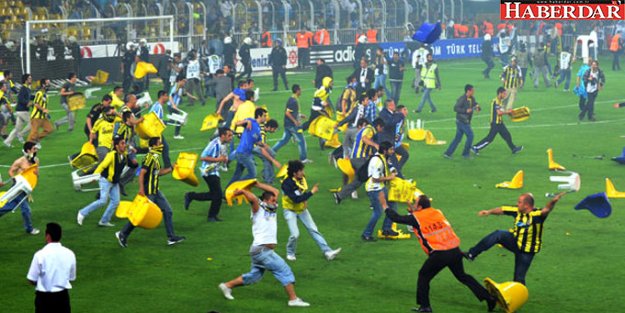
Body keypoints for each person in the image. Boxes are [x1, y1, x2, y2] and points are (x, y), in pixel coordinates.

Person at [384, 194, 496, 313]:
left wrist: (384, 205)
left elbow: (396, 218)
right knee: (462, 276)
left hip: (440, 253)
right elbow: (424, 220)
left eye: (415, 202)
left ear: (420, 207)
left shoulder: (416, 217)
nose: (413, 203)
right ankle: (489, 297)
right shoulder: (437, 212)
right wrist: (414, 212)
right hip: (455, 250)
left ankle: (425, 307)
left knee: (424, 276)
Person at [218, 181, 310, 307]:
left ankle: (227, 286)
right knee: (284, 270)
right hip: (262, 251)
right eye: (273, 200)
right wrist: (244, 191)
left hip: (259, 250)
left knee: (254, 276)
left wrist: (257, 184)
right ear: (265, 201)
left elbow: (276, 192)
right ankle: (293, 299)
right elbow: (253, 199)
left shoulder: (272, 207)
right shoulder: (258, 209)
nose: (275, 202)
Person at [464, 192, 566, 285]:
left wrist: (553, 201)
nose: (517, 204)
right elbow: (502, 210)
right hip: (515, 242)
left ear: (526, 205)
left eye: (519, 202)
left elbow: (547, 209)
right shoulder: (517, 211)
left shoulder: (537, 215)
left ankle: (515, 298)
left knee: (519, 279)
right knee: (498, 234)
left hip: (527, 251)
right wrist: (489, 212)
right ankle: (472, 253)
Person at [115, 137, 185, 247]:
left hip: (156, 191)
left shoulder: (155, 157)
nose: (161, 145)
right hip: (148, 192)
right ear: (154, 146)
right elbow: (142, 173)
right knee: (139, 216)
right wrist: (141, 189)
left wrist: (171, 168)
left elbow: (158, 173)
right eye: (159, 143)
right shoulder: (150, 157)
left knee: (168, 211)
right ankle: (123, 233)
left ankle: (171, 237)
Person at [281, 160, 342, 261]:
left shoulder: (301, 179)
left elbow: (301, 192)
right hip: (290, 210)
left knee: (314, 230)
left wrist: (305, 201)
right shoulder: (286, 184)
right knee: (295, 234)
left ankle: (327, 252)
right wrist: (311, 193)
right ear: (294, 172)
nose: (303, 172)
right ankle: (290, 252)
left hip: (301, 209)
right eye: (300, 170)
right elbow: (295, 199)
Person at [77, 136, 129, 227]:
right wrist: (94, 176)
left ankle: (104, 221)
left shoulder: (124, 154)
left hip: (114, 182)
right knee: (102, 201)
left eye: (125, 143)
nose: (125, 145)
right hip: (105, 180)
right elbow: (102, 166)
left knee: (115, 201)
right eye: (122, 143)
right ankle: (82, 213)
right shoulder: (111, 155)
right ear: (116, 146)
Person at [185, 127, 233, 222]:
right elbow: (202, 157)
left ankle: (191, 196)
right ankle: (211, 216)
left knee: (213, 195)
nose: (231, 138)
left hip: (214, 171)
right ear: (222, 135)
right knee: (218, 195)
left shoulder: (224, 144)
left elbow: (222, 155)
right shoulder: (213, 144)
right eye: (229, 135)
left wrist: (225, 160)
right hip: (208, 172)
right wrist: (218, 160)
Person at [333, 118, 385, 204]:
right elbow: (364, 139)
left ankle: (339, 195)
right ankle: (375, 201)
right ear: (378, 126)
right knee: (373, 176)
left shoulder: (367, 129)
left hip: (356, 157)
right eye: (381, 128)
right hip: (360, 158)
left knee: (359, 180)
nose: (381, 130)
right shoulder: (370, 129)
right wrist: (375, 145)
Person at [27, 222, 76, 313]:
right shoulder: (70, 254)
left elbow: (31, 279)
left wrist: (42, 282)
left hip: (44, 300)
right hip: (62, 299)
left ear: (48, 236)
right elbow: (71, 278)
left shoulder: (40, 255)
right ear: (60, 236)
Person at [0, 141, 41, 235]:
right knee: (26, 209)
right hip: (18, 188)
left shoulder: (36, 160)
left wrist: (35, 175)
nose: (36, 150)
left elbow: (36, 173)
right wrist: (16, 180)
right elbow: (11, 171)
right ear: (28, 150)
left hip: (26, 189)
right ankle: (29, 229)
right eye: (34, 148)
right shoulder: (20, 161)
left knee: (9, 207)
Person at [362, 141, 397, 241]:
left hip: (380, 187)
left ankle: (386, 229)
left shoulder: (382, 156)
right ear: (385, 150)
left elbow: (389, 164)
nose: (393, 151)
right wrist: (389, 178)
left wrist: (393, 170)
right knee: (378, 212)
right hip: (374, 189)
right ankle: (366, 234)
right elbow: (375, 178)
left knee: (392, 204)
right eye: (391, 149)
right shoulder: (377, 162)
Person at [472, 87, 523, 155]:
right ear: (500, 93)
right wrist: (507, 112)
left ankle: (513, 148)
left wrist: (510, 113)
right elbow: (499, 112)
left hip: (500, 123)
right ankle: (475, 147)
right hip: (495, 124)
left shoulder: (500, 101)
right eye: (504, 94)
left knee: (507, 135)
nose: (505, 95)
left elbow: (501, 112)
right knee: (490, 138)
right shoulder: (496, 101)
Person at [272, 85, 311, 163]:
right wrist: (295, 121)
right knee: (301, 141)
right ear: (297, 91)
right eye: (300, 89)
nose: (301, 91)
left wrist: (300, 115)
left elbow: (292, 112)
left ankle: (271, 152)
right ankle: (303, 159)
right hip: (292, 125)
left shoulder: (293, 99)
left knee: (284, 140)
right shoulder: (293, 101)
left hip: (288, 124)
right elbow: (287, 113)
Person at [228, 108, 266, 186]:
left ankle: (226, 192)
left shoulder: (258, 128)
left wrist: (264, 145)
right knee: (252, 174)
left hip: (245, 153)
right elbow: (237, 123)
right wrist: (247, 121)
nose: (265, 118)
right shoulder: (251, 121)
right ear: (259, 116)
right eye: (264, 116)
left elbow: (257, 141)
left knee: (237, 175)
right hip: (243, 153)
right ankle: (236, 186)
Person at [444, 84, 480, 159]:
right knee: (470, 136)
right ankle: (465, 154)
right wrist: (465, 110)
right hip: (462, 121)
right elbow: (455, 108)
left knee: (457, 138)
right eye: (472, 90)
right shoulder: (462, 99)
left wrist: (477, 107)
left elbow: (475, 104)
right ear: (468, 91)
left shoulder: (472, 98)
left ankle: (447, 153)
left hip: (465, 121)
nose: (474, 92)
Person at [4, 74, 32, 147]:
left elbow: (29, 97)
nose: (31, 79)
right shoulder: (23, 88)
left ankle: (7, 142)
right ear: (26, 80)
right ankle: (20, 135)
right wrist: (27, 103)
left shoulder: (27, 89)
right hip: (23, 111)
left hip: (20, 111)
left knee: (17, 128)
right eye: (29, 78)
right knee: (32, 124)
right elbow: (20, 98)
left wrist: (38, 97)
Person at [149, 90, 173, 169]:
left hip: (153, 130)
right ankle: (153, 166)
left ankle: (167, 165)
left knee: (164, 147)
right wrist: (165, 123)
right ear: (162, 96)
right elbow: (157, 120)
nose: (167, 98)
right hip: (155, 132)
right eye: (166, 96)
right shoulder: (158, 106)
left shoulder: (156, 105)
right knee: (158, 148)